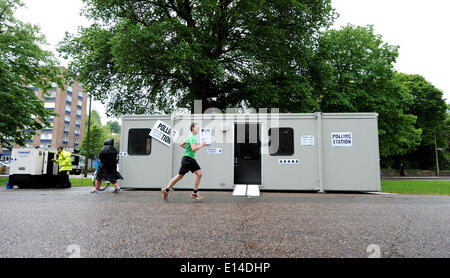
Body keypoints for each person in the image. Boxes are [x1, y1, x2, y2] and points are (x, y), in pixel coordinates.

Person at [161, 123, 206, 201]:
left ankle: (166, 190)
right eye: (197, 128)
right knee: (197, 174)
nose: (198, 129)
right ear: (192, 128)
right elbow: (194, 148)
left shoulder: (190, 137)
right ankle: (194, 193)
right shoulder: (192, 137)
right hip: (189, 159)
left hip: (187, 159)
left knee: (181, 176)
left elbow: (181, 144)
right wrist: (201, 145)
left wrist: (187, 149)